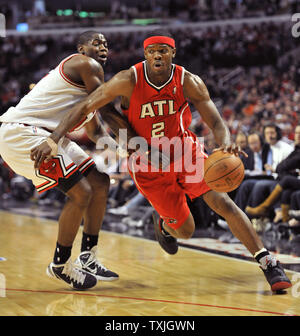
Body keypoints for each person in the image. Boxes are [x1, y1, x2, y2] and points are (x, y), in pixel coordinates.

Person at [31, 29, 292, 292]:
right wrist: (54, 138)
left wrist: (224, 139)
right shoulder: (127, 79)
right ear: (145, 54)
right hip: (148, 166)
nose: (158, 55)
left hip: (184, 152)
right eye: (152, 50)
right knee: (186, 231)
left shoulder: (188, 80)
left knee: (222, 201)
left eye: (163, 50)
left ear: (172, 53)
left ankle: (268, 262)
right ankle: (165, 226)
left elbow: (214, 120)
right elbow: (88, 106)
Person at [0, 31, 120, 290]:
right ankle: (60, 264)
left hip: (46, 136)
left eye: (105, 44)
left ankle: (87, 257)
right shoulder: (85, 65)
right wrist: (137, 142)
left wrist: (123, 150)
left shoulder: (88, 88)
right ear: (81, 48)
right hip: (25, 132)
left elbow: (97, 133)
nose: (102, 47)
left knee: (99, 181)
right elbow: (109, 110)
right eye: (96, 42)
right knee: (81, 193)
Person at [245, 124, 300, 222]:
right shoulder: (296, 148)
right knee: (286, 192)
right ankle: (285, 225)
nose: (298, 136)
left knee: (262, 184)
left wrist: (278, 168)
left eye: (272, 133)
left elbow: (286, 165)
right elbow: (281, 166)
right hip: (282, 178)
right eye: (296, 133)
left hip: (284, 178)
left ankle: (262, 210)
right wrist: (278, 168)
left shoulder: (287, 148)